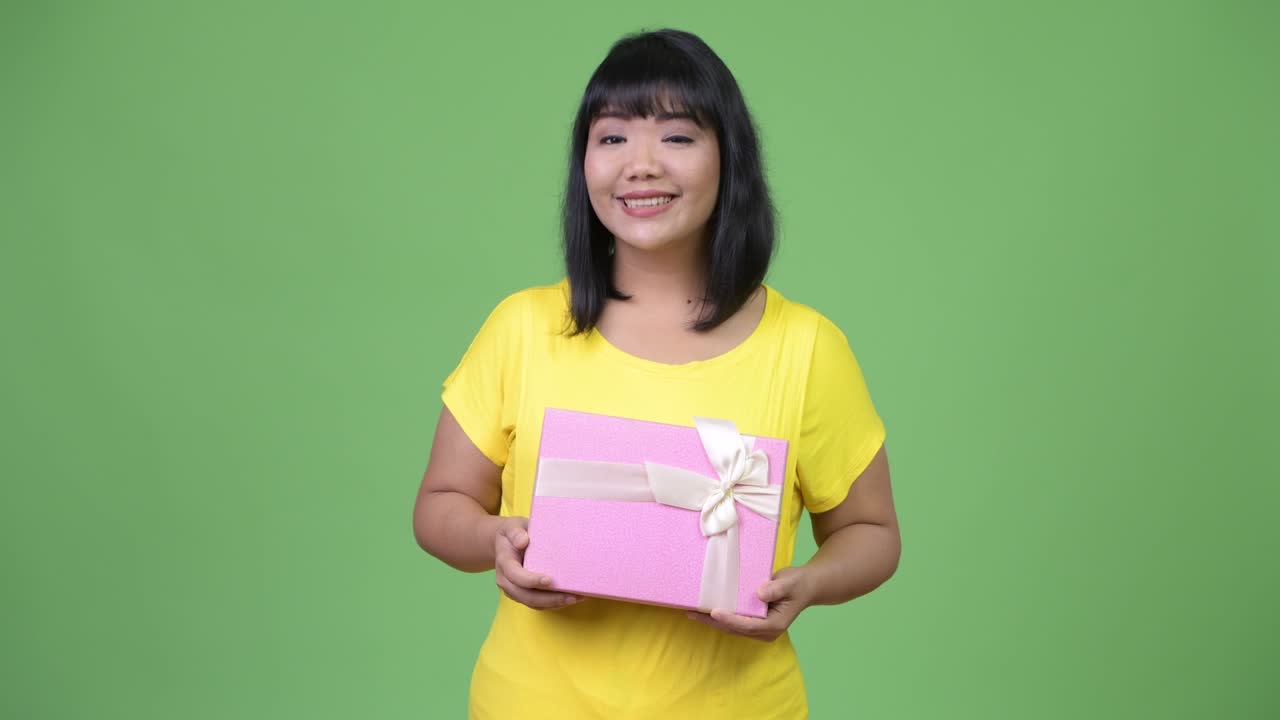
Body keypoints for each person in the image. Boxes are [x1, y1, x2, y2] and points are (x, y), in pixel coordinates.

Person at [413, 27, 900, 719]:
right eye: (612, 138)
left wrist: (808, 584)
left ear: (729, 159)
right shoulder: (521, 328)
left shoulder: (806, 347)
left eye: (676, 137)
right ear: (583, 162)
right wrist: (495, 539)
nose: (639, 165)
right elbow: (439, 506)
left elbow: (873, 534)